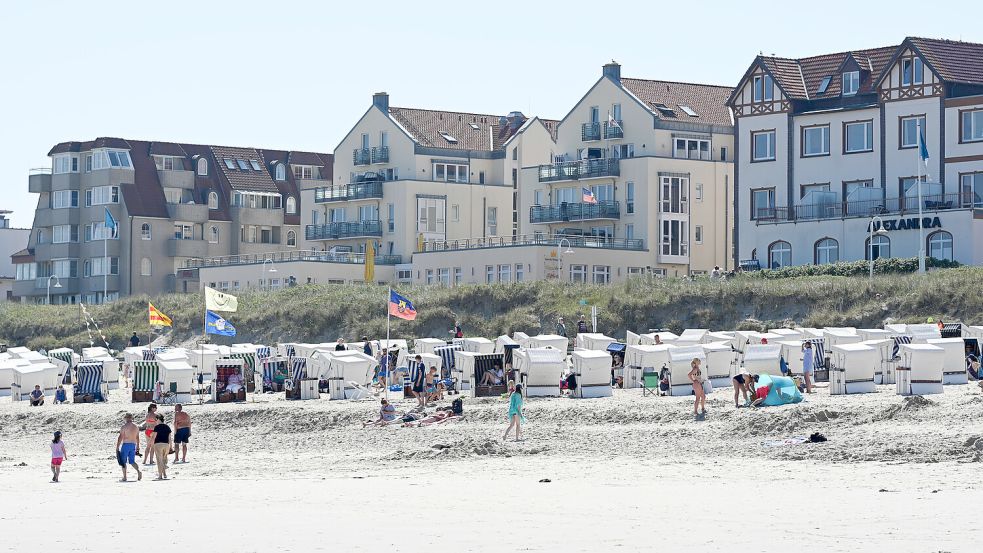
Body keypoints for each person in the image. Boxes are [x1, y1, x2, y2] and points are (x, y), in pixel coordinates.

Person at [116, 413, 142, 482]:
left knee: (123, 462)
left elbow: (120, 437)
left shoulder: (124, 427)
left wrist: (117, 446)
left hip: (126, 445)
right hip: (133, 445)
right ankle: (138, 471)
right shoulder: (136, 427)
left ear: (126, 418)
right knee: (132, 461)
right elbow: (137, 438)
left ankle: (124, 477)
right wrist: (138, 447)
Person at [149, 414, 172, 480]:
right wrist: (171, 447)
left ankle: (160, 475)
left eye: (156, 420)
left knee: (159, 460)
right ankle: (164, 474)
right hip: (166, 444)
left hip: (158, 444)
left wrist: (151, 443)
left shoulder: (157, 427)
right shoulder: (167, 427)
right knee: (164, 459)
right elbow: (170, 438)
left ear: (158, 419)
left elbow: (154, 436)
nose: (155, 421)